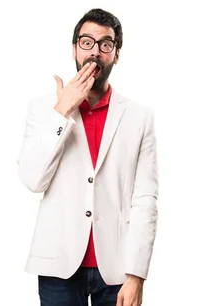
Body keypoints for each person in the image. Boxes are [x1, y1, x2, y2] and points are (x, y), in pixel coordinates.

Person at [17, 8, 158, 306]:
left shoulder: (139, 117)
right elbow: (33, 180)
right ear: (74, 49)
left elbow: (145, 200)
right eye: (86, 42)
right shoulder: (43, 109)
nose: (95, 52)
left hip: (117, 270)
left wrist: (136, 275)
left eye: (105, 44)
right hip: (59, 267)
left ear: (116, 54)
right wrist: (62, 112)